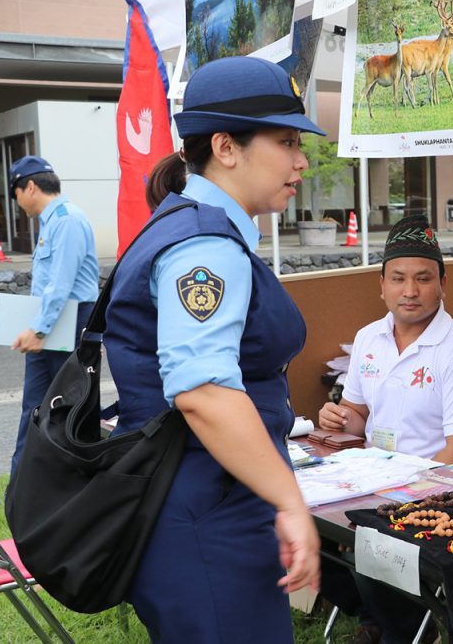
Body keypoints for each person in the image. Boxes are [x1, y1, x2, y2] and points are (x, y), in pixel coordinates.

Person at [102, 57, 322, 644]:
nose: (301, 161)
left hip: (202, 500)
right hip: (204, 513)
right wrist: (290, 501)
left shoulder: (189, 225)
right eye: (286, 141)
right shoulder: (205, 245)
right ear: (225, 146)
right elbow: (202, 391)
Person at [317, 214, 453, 643]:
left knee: (367, 536)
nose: (410, 291)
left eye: (423, 278)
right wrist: (337, 416)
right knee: (293, 518)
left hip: (435, 489)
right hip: (372, 475)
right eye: (397, 278)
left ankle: (404, 624)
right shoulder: (368, 338)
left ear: (443, 285)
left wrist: (388, 494)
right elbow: (357, 414)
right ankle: (379, 615)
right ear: (381, 284)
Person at [9, 155, 98, 476]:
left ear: (30, 187)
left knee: (67, 408)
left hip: (67, 323)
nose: (16, 202)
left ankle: (69, 482)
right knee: (32, 407)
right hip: (50, 324)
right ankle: (20, 483)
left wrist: (40, 329)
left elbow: (61, 284)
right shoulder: (52, 222)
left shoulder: (67, 220)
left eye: (15, 192)